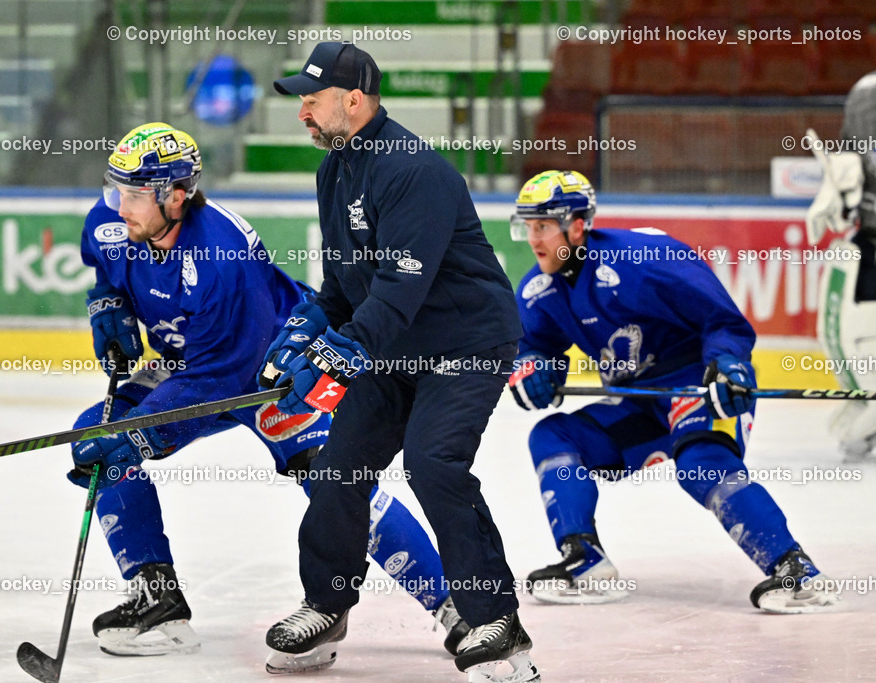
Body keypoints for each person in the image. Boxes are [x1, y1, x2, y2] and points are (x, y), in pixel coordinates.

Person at [68, 122, 469, 657]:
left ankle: (455, 604)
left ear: (176, 196)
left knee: (331, 479)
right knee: (96, 436)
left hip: (270, 374)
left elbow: (221, 378)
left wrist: (141, 433)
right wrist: (108, 303)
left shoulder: (220, 257)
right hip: (194, 364)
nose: (120, 206)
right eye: (115, 189)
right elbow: (107, 271)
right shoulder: (113, 223)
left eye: (135, 194)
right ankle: (156, 597)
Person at [263, 42, 539, 683]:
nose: (302, 112)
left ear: (354, 100)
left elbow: (397, 287)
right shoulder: (334, 171)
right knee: (338, 466)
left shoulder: (413, 170)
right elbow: (344, 288)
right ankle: (326, 606)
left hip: (464, 344)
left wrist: (339, 352)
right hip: (394, 349)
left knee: (433, 463)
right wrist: (305, 329)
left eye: (312, 99)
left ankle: (496, 621)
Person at [507, 169, 838, 614]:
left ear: (578, 226)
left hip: (695, 385)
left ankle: (797, 573)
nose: (533, 239)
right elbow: (535, 346)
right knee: (552, 436)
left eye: (543, 226)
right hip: (639, 401)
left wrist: (729, 364)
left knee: (701, 463)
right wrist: (532, 368)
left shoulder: (644, 259)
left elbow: (723, 321)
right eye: (528, 227)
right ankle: (584, 561)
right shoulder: (539, 290)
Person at [807, 70, 876, 460]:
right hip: (869, 240)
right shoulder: (867, 94)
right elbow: (851, 157)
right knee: (843, 328)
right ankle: (864, 399)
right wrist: (835, 190)